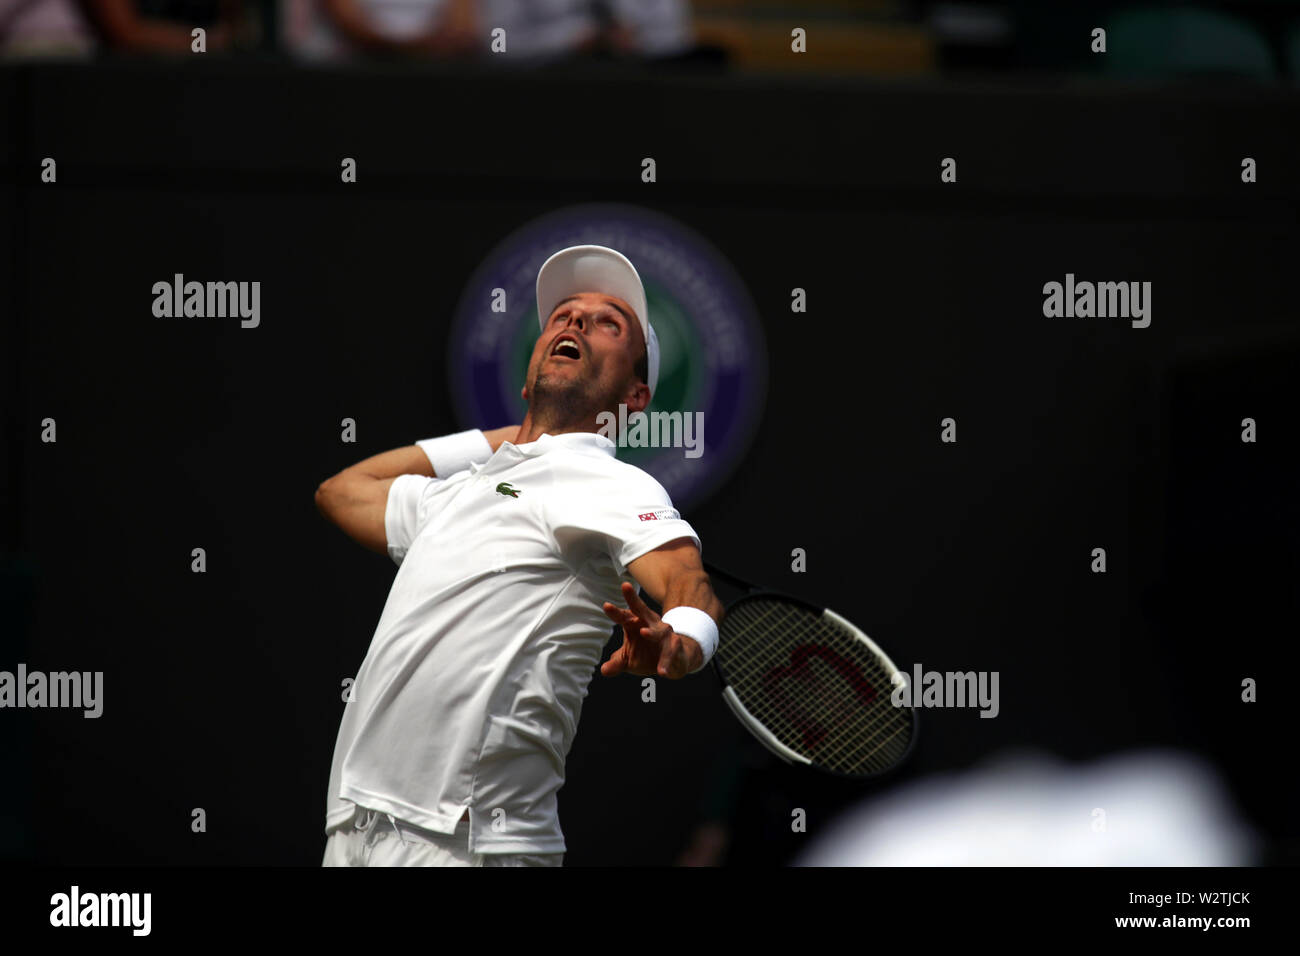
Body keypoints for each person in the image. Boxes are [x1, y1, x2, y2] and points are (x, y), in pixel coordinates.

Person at [315, 244, 724, 866]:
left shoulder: (613, 484)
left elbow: (688, 583)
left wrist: (679, 642)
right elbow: (342, 493)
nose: (575, 322)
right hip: (354, 831)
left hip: (468, 843)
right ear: (529, 369)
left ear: (637, 396)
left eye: (608, 321)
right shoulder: (462, 491)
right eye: (563, 314)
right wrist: (503, 437)